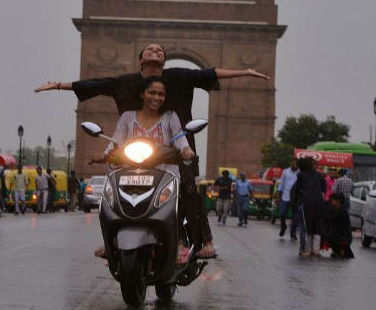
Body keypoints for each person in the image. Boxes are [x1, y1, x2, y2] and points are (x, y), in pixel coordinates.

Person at [36, 43, 271, 258]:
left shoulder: (178, 77)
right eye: (150, 49)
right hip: (137, 150)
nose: (155, 52)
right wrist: (58, 86)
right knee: (115, 191)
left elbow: (208, 73)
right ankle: (112, 242)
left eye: (160, 51)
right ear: (140, 60)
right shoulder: (126, 82)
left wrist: (245, 72)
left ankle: (202, 242)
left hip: (177, 146)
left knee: (188, 190)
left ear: (164, 62)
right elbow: (96, 85)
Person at [91, 77, 195, 263]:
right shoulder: (127, 117)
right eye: (152, 92)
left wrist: (186, 150)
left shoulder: (170, 116)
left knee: (176, 204)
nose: (156, 97)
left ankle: (178, 242)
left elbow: (180, 139)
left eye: (161, 94)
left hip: (165, 173)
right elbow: (116, 142)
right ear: (142, 94)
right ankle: (110, 242)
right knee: (108, 202)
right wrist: (104, 155)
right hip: (131, 173)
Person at [292, 157, 327, 256]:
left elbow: (297, 190)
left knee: (307, 226)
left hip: (306, 202)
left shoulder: (300, 175)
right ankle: (315, 250)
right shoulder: (320, 175)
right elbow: (324, 189)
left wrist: (295, 204)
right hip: (319, 202)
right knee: (317, 225)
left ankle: (306, 249)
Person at [323, 193, 354, 258]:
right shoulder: (336, 210)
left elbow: (331, 218)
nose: (331, 202)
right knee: (327, 235)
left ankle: (340, 251)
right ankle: (338, 251)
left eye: (333, 200)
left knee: (328, 237)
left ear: (338, 201)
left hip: (345, 238)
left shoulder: (343, 212)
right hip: (340, 236)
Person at [276, 160, 298, 238]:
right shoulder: (285, 171)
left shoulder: (300, 173)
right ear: (291, 163)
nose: (294, 165)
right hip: (285, 196)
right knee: (282, 214)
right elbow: (281, 184)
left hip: (295, 198)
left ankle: (293, 232)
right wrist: (278, 196)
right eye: (293, 163)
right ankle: (283, 226)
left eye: (296, 163)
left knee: (295, 216)